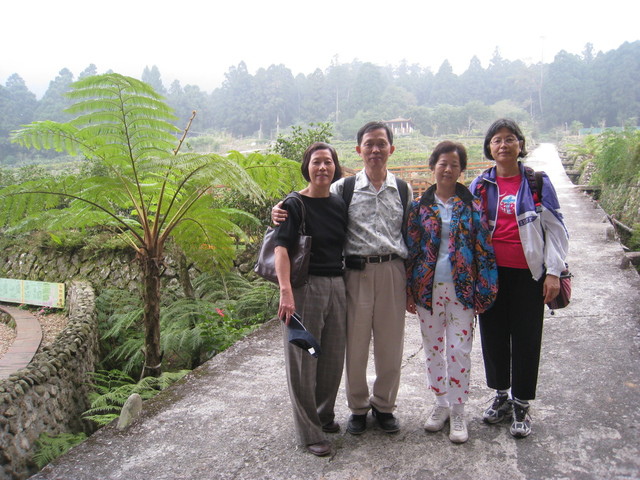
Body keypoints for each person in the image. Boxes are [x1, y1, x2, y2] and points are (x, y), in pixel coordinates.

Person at [273, 122, 411, 435]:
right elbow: (308, 198)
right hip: (355, 272)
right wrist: (279, 209)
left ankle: (384, 406)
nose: (375, 150)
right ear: (359, 149)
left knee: (390, 346)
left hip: (392, 271)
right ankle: (358, 408)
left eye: (381, 143)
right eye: (368, 144)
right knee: (354, 345)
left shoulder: (403, 189)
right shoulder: (343, 189)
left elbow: (411, 232)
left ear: (391, 149)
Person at [469, 118, 569, 438]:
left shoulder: (536, 182)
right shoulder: (480, 185)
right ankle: (501, 395)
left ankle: (522, 402)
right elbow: (467, 231)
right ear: (489, 147)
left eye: (509, 138)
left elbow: (556, 230)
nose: (503, 145)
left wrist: (553, 272)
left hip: (529, 275)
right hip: (490, 276)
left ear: (520, 144)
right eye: (497, 140)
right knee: (493, 335)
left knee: (526, 337)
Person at [405, 141, 498, 443]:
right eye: (442, 163)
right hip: (427, 290)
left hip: (463, 289)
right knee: (433, 349)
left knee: (459, 349)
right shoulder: (419, 207)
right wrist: (408, 290)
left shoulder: (472, 206)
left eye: (454, 165)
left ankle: (458, 409)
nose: (447, 169)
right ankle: (441, 403)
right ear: (433, 166)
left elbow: (484, 249)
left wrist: (485, 290)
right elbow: (411, 249)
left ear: (461, 170)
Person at [274, 142, 348, 456]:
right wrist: (286, 291)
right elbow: (280, 249)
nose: (322, 168)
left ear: (335, 167)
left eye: (328, 162)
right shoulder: (293, 204)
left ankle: (323, 414)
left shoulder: (338, 202)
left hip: (337, 285)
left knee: (332, 357)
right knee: (303, 360)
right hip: (305, 288)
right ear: (307, 167)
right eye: (316, 162)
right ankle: (309, 432)